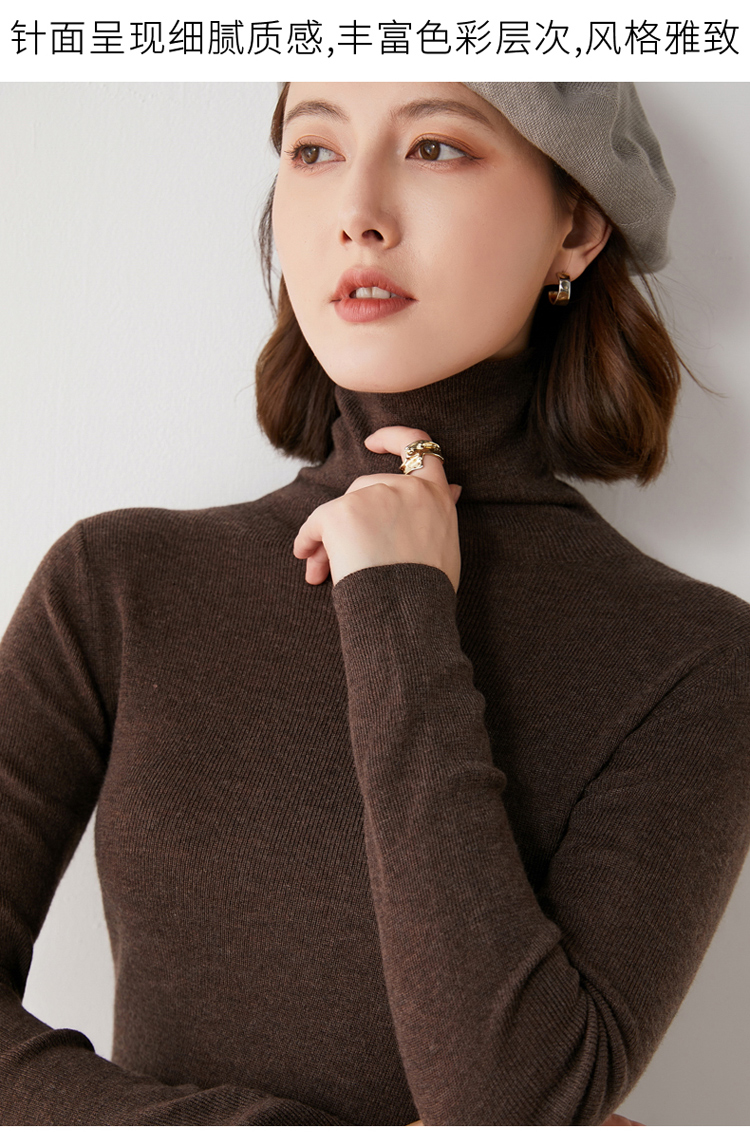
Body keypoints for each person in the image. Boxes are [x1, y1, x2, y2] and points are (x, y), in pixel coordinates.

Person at [0, 81, 748, 1125]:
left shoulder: (696, 660)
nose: (358, 212)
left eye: (436, 146)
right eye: (314, 149)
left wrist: (398, 607)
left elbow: (510, 1106)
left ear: (577, 226)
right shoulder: (118, 583)